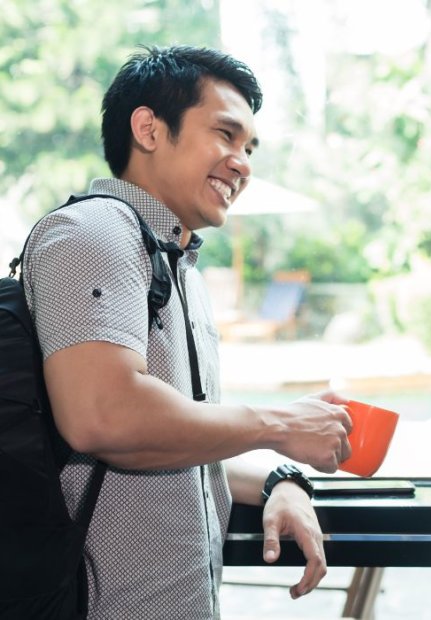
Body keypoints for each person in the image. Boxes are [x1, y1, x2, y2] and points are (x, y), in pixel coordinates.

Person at [23, 45, 352, 618]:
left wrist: (280, 478)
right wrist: (278, 425)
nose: (242, 162)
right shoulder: (92, 233)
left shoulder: (175, 267)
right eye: (225, 134)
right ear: (149, 128)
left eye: (249, 147)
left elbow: (179, 441)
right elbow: (106, 415)